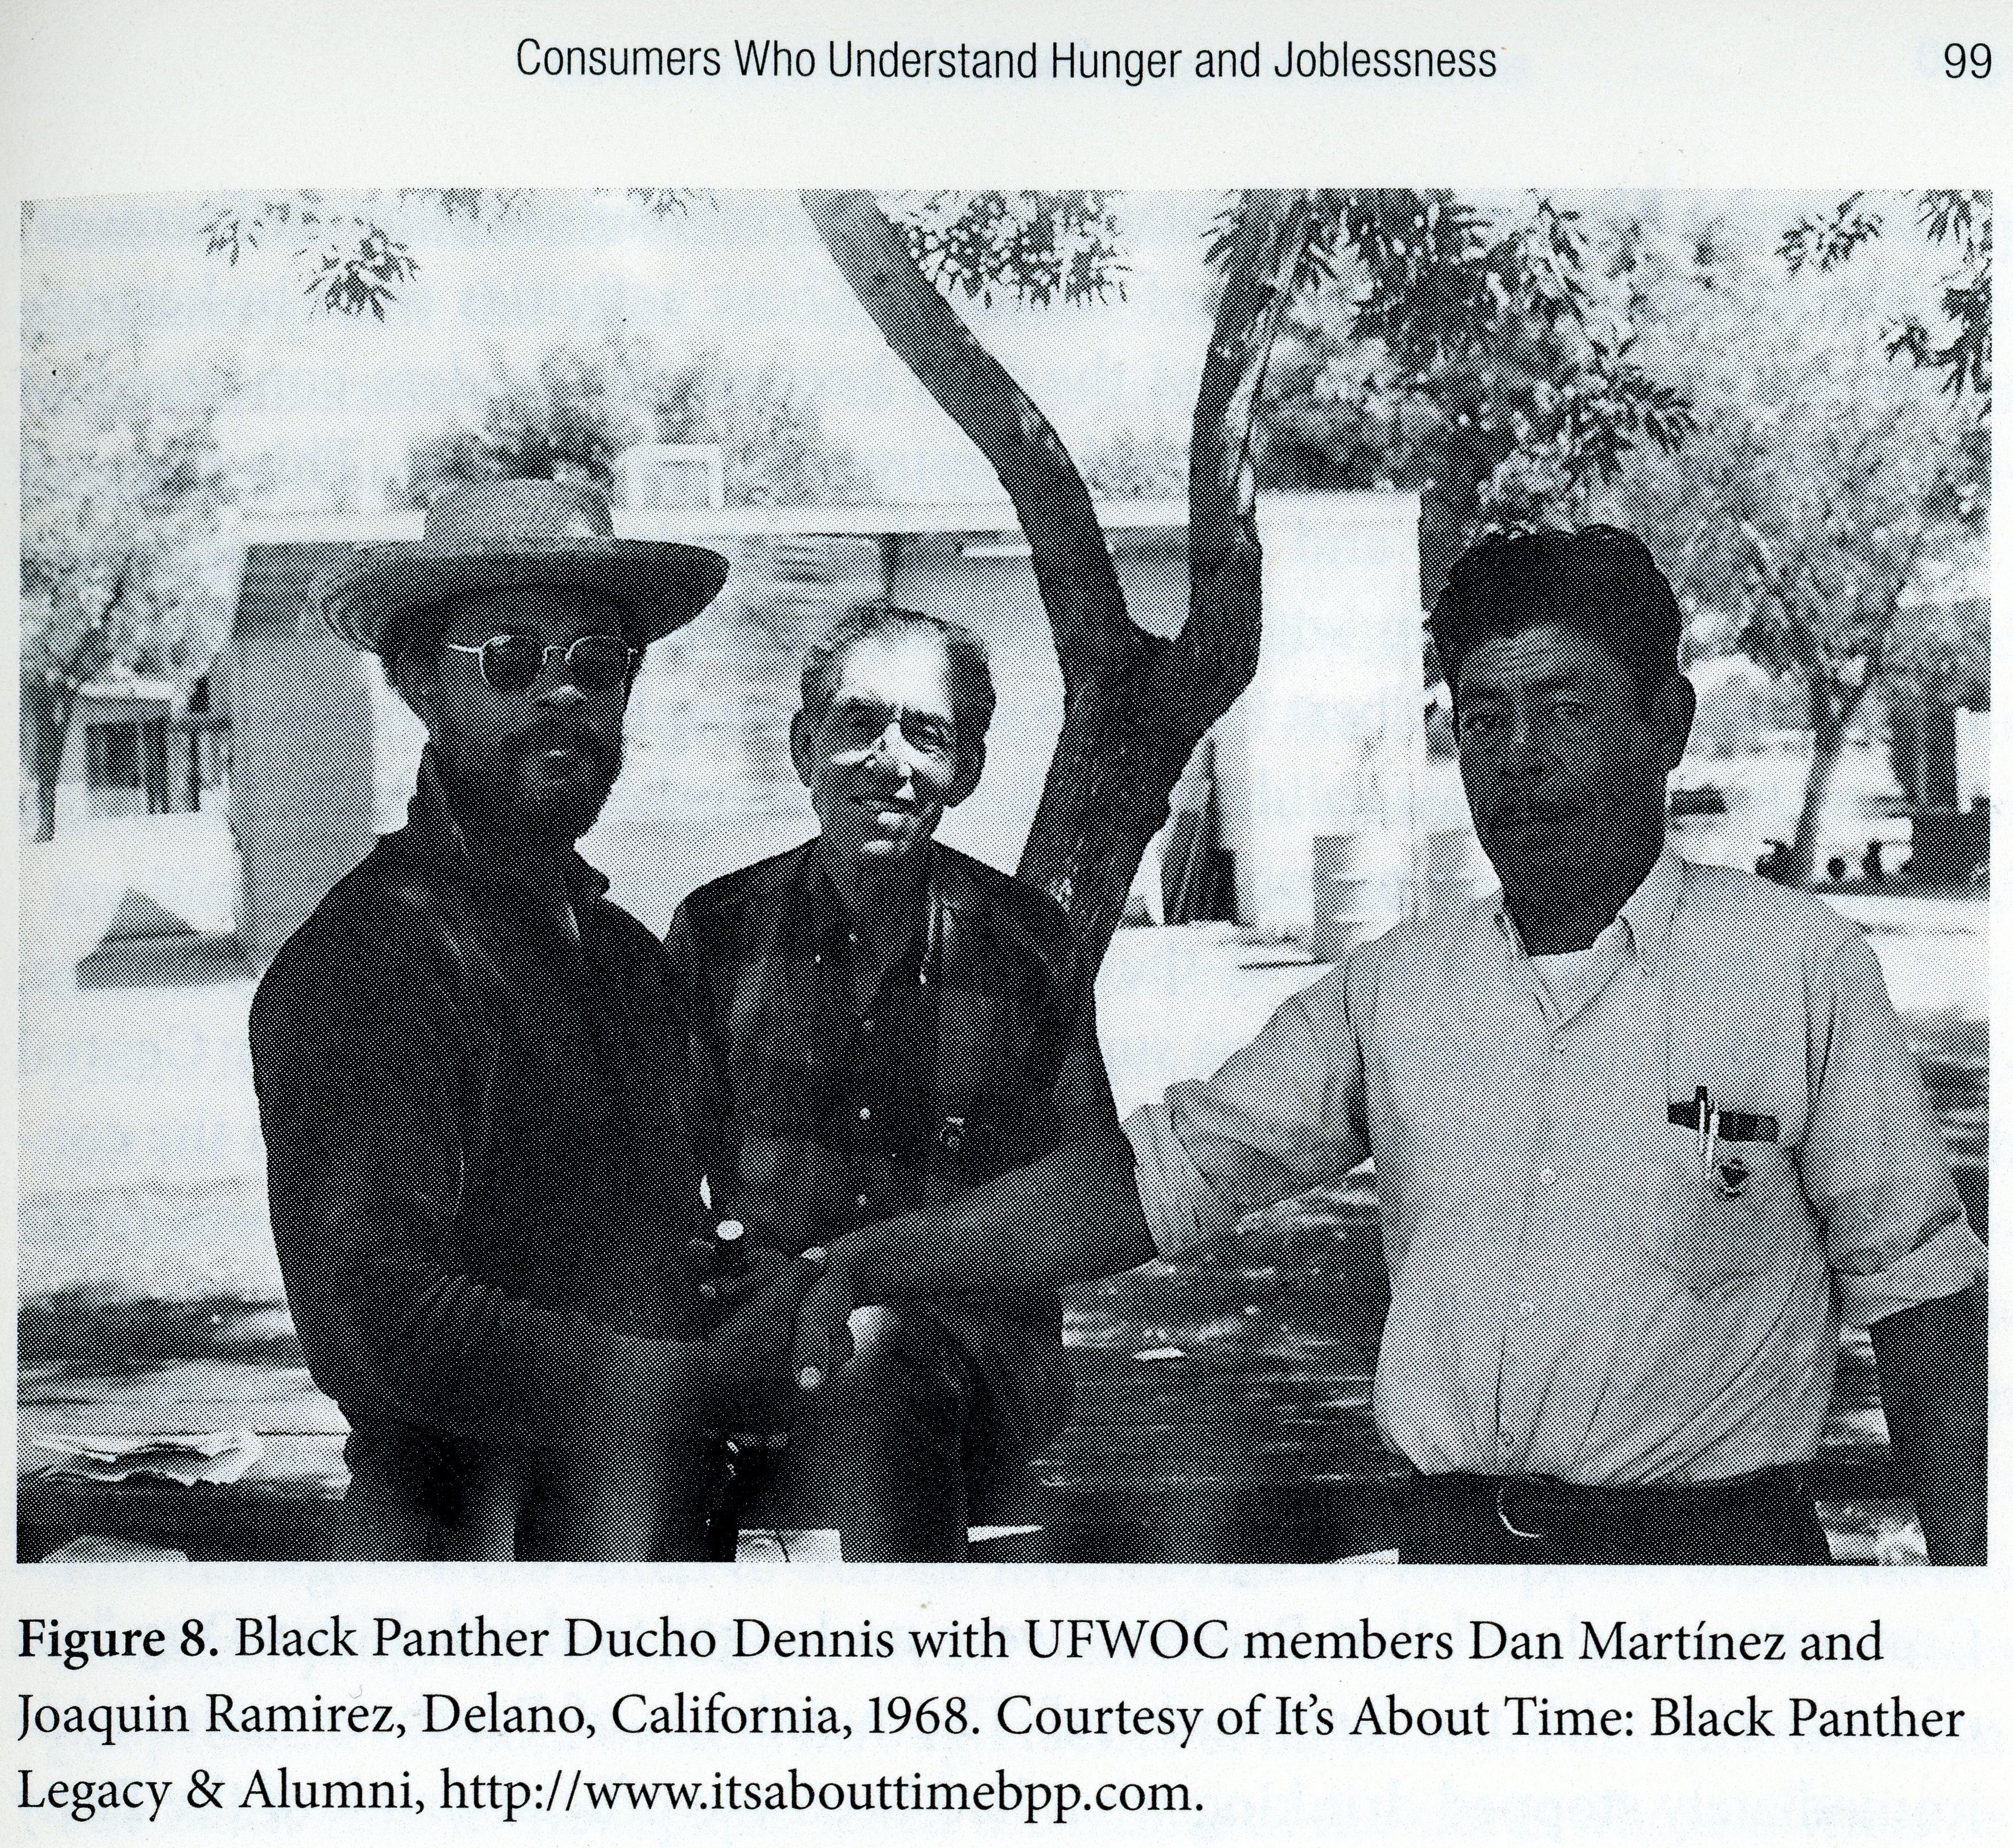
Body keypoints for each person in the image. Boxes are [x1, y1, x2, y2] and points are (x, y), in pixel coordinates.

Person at [788, 526, 1989, 1566]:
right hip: (1458, 1576)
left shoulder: (1797, 969)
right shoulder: (1396, 990)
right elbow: (1158, 1175)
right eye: (1484, 717)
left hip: (1718, 1579)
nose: (1519, 754)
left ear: (1661, 725)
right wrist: (875, 1259)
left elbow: (1926, 1308)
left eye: (1567, 709)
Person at [249, 478, 817, 1559]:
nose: (563, 694)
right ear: (417, 682)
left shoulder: (621, 960)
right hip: (480, 1566)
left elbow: (616, 1239)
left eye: (597, 665)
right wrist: (694, 1382)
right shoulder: (375, 965)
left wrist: (743, 1283)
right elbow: (379, 1323)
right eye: (510, 656)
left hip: (653, 1527)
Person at [667, 606, 1118, 1559]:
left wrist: (914, 1268)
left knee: (882, 1360)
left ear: (971, 767)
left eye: (928, 733)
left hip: (976, 1356)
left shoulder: (1026, 946)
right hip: (764, 1333)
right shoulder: (717, 934)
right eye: (859, 723)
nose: (891, 760)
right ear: (803, 746)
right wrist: (726, 1267)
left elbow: (1088, 1189)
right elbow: (657, 1182)